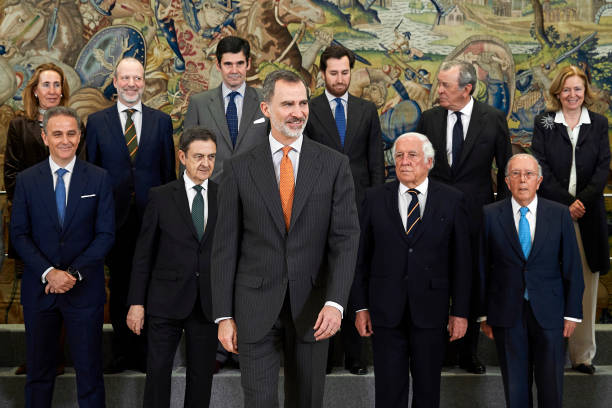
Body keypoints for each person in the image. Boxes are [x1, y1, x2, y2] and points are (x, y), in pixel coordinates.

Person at [211, 69, 360, 407]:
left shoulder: (334, 165)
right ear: (266, 109)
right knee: (259, 402)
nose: (298, 112)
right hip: (253, 307)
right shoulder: (238, 168)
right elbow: (224, 249)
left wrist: (336, 302)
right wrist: (223, 316)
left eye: (303, 103)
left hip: (314, 309)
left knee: (306, 401)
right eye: (288, 104)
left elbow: (346, 240)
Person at [352, 132, 471, 407]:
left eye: (412, 155)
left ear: (429, 161)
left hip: (431, 311)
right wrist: (360, 307)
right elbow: (360, 258)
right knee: (388, 392)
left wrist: (461, 311)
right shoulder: (374, 198)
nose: (404, 162)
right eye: (399, 156)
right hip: (385, 312)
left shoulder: (452, 200)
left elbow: (462, 262)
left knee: (428, 392)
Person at [10, 106, 115, 408]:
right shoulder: (28, 180)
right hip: (40, 291)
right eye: (57, 134)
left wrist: (71, 274)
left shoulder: (98, 179)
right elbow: (19, 234)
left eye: (71, 133)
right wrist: (49, 272)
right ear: (45, 137)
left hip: (84, 291)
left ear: (80, 136)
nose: (65, 140)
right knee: (39, 374)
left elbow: (106, 234)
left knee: (90, 373)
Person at [416, 59, 512, 374]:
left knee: (470, 282)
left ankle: (468, 352)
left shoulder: (493, 119)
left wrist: (503, 218)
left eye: (445, 85)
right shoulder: (428, 119)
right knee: (436, 282)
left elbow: (506, 169)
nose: (438, 90)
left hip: (477, 217)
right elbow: (418, 169)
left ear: (466, 88)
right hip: (435, 217)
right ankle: (441, 350)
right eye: (439, 83)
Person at [86, 57, 176, 373]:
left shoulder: (161, 122)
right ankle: (123, 353)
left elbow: (168, 176)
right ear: (115, 80)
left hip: (152, 219)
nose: (131, 84)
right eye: (125, 78)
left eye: (137, 78)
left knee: (152, 285)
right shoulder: (96, 123)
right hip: (115, 219)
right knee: (121, 285)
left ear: (144, 81)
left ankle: (148, 355)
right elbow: (91, 175)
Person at [479, 153, 584, 408]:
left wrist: (572, 313)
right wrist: (483, 314)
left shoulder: (559, 214)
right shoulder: (490, 215)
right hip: (506, 313)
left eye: (528, 174)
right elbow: (481, 268)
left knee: (551, 388)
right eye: (516, 174)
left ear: (539, 181)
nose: (522, 180)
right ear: (506, 181)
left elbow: (572, 267)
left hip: (550, 313)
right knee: (515, 390)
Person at [305, 44, 384, 376]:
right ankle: (324, 356)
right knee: (323, 279)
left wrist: (377, 205)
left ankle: (355, 356)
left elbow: (376, 164)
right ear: (323, 74)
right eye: (333, 73)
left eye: (345, 72)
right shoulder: (308, 108)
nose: (340, 79)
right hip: (319, 207)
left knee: (354, 279)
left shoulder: (367, 111)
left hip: (360, 208)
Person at [126, 128, 219, 408]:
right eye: (199, 156)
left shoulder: (224, 196)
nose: (205, 163)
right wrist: (136, 303)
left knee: (202, 378)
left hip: (207, 303)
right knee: (157, 376)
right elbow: (143, 254)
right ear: (182, 157)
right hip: (164, 302)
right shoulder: (161, 196)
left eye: (211, 157)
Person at [4, 62, 84, 376]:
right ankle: (37, 357)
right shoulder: (19, 126)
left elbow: (82, 173)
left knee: (64, 290)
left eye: (56, 84)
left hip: (68, 224)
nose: (52, 90)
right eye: (45, 85)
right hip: (31, 226)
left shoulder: (75, 125)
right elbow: (11, 175)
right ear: (35, 91)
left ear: (63, 90)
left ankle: (57, 358)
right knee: (35, 294)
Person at [531, 65, 610, 375]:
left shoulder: (599, 124)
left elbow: (603, 168)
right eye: (566, 89)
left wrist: (581, 203)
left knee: (586, 288)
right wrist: (567, 204)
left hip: (589, 216)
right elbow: (541, 167)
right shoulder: (545, 122)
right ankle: (550, 352)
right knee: (550, 283)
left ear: (585, 91)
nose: (572, 95)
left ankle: (582, 356)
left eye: (578, 89)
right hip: (554, 214)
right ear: (557, 93)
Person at [185, 36, 268, 182]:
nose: (234, 70)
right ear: (218, 65)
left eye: (240, 63)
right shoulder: (199, 103)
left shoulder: (266, 101)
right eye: (228, 64)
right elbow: (187, 155)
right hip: (212, 190)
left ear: (248, 64)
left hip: (256, 190)